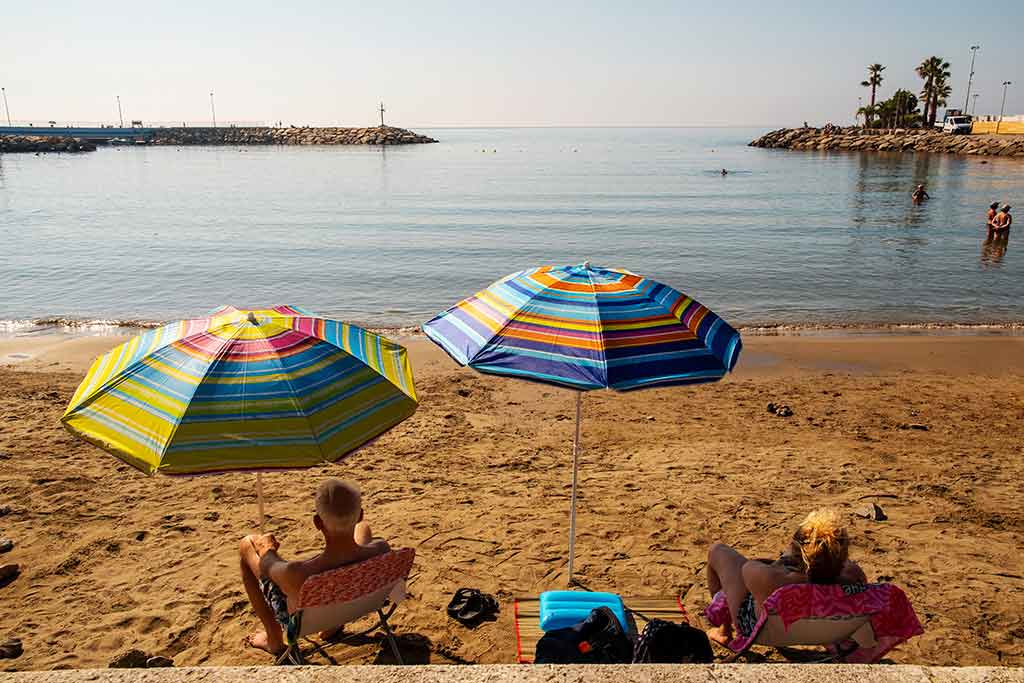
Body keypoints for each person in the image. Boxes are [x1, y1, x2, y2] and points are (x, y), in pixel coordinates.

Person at [239, 479, 390, 656]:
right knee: (363, 530)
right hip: (354, 602)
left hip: (306, 615)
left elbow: (267, 566)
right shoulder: (382, 550)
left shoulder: (297, 573)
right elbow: (362, 529)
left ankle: (274, 640)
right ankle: (332, 626)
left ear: (318, 522)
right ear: (360, 515)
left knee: (246, 543)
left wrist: (267, 548)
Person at [704, 509, 866, 646]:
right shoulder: (853, 577)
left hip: (762, 631)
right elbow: (836, 568)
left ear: (797, 553)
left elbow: (747, 568)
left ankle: (724, 630)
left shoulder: (772, 579)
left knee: (717, 551)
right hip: (825, 631)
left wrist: (782, 562)